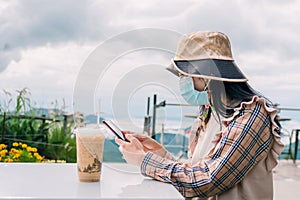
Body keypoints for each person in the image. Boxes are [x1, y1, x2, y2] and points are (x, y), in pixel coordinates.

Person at [115, 31, 284, 199]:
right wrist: (160, 154)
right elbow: (197, 170)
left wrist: (144, 160)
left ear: (207, 75)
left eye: (184, 74)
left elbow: (207, 181)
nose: (182, 80)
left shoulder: (252, 114)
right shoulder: (210, 111)